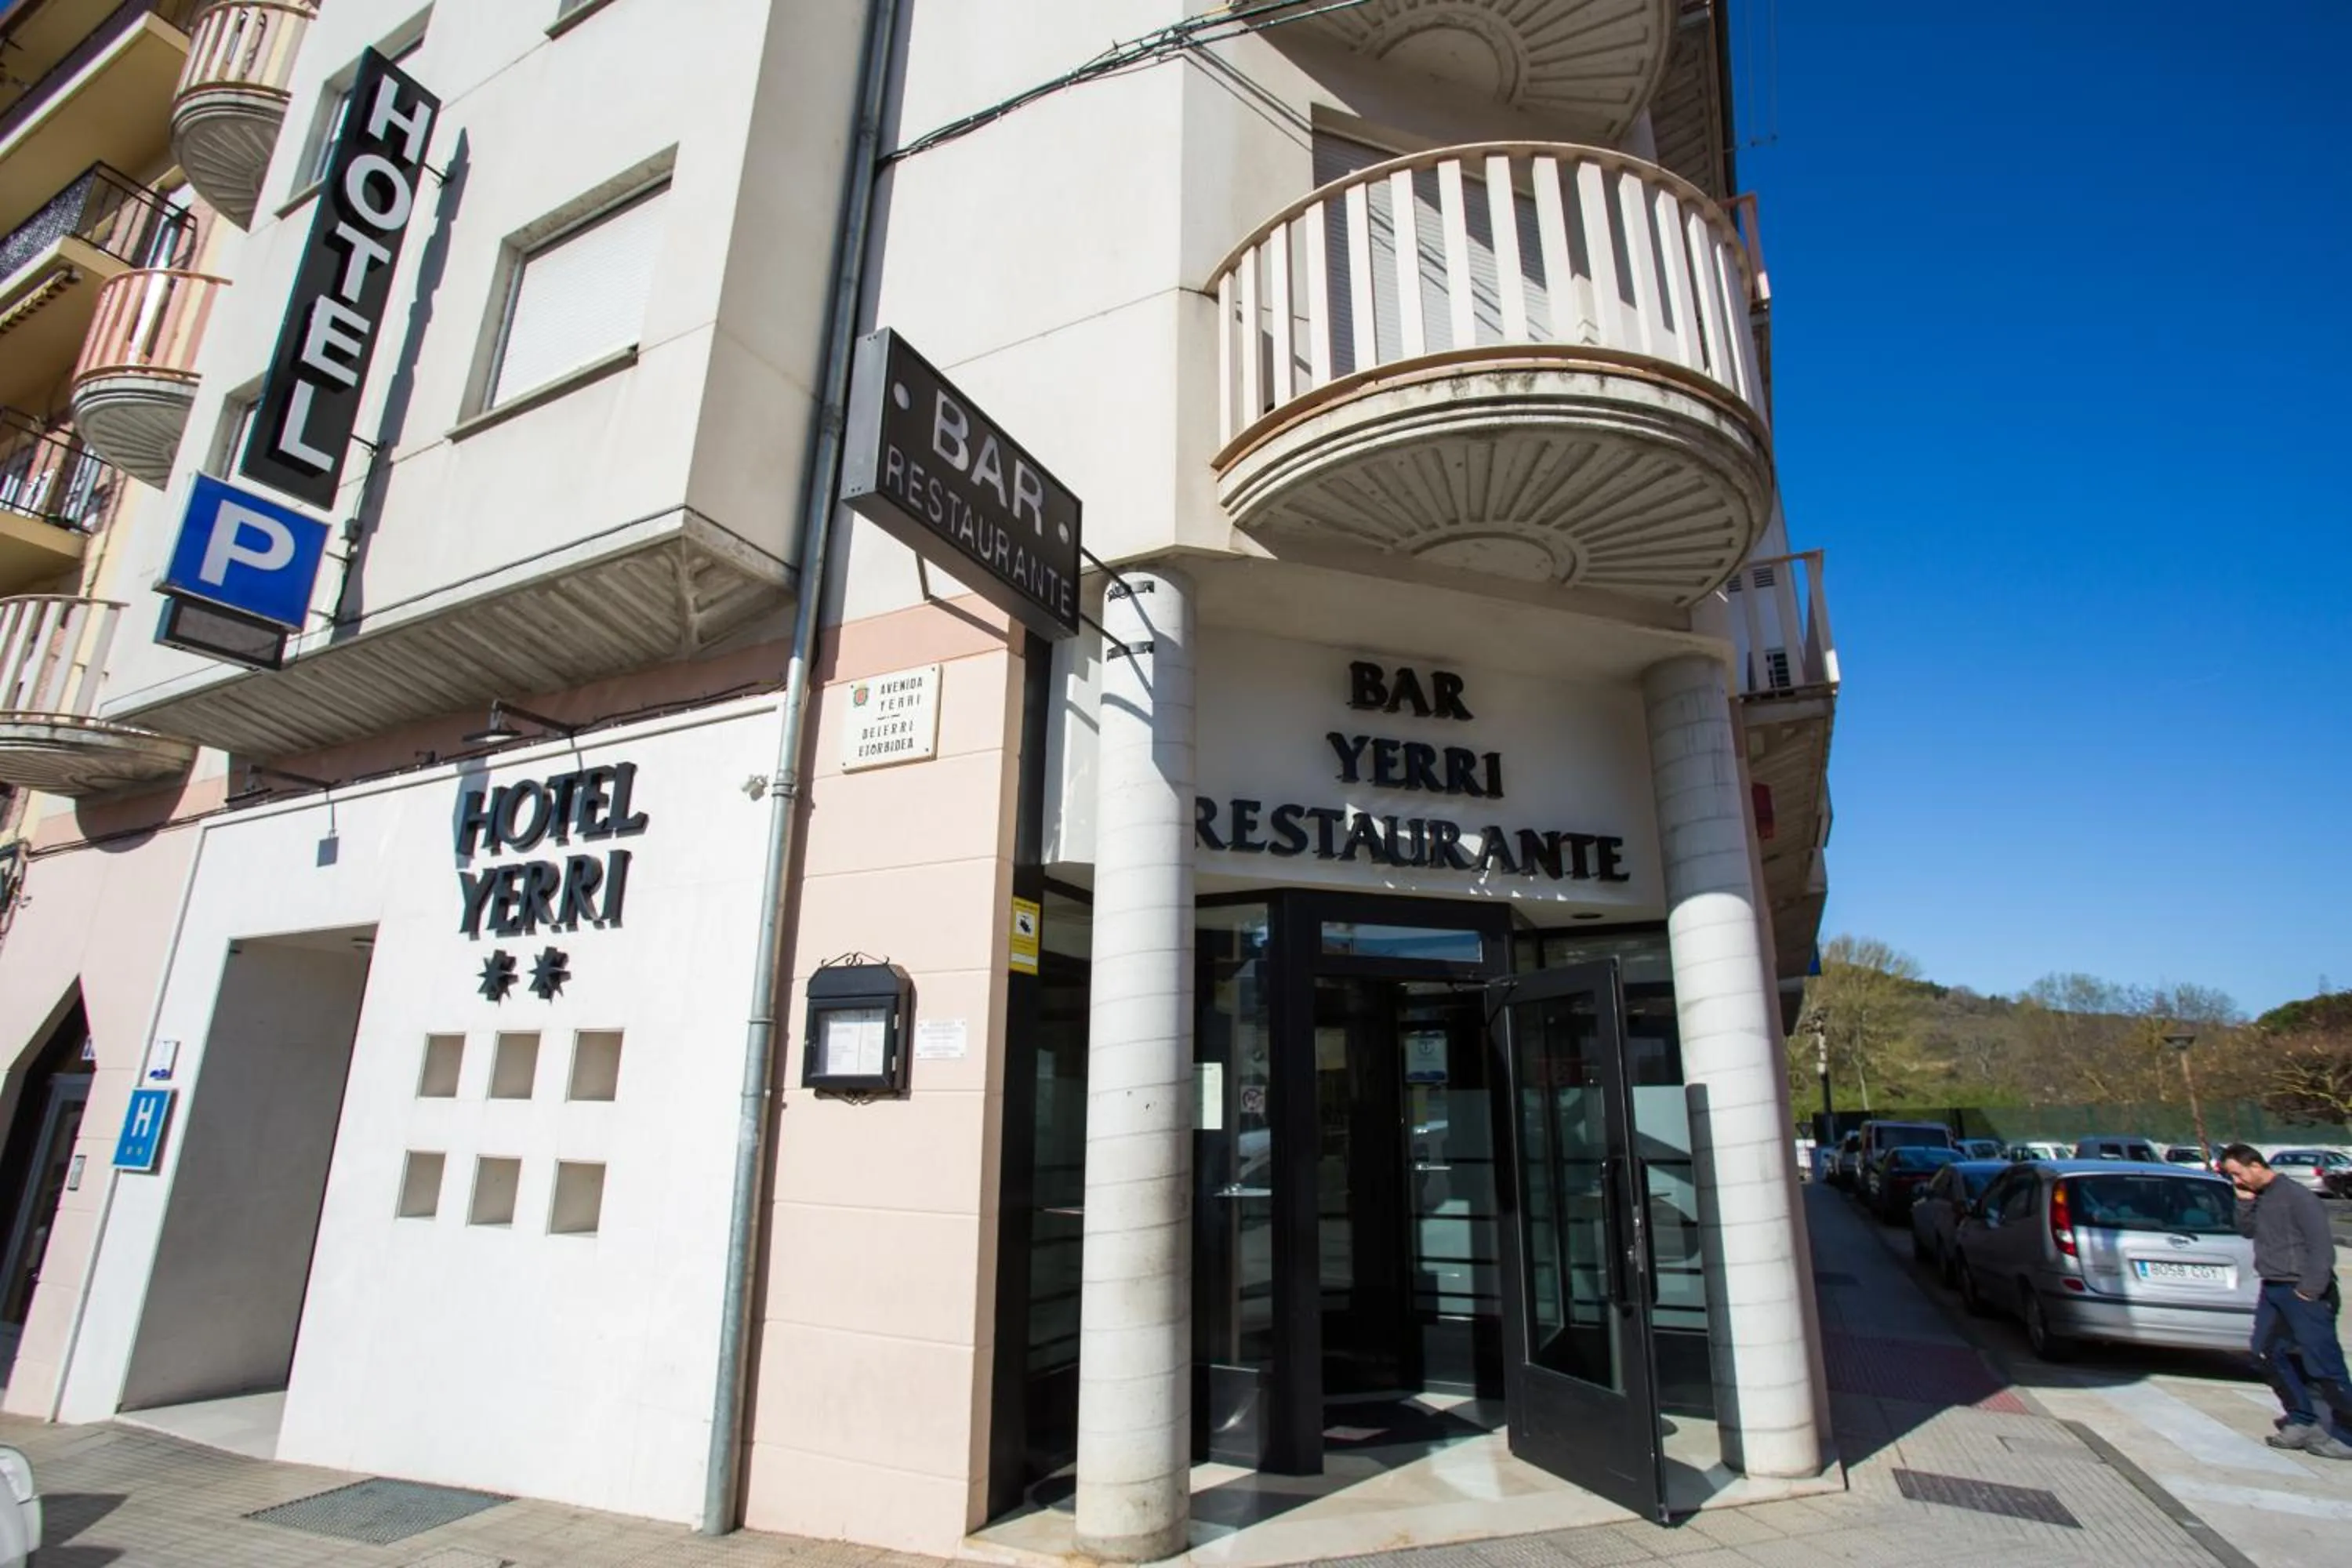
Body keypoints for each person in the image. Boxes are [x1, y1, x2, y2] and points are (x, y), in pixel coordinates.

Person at [2217, 1143, 2352, 1458]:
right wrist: (2244, 1203)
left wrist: (2310, 1289)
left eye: (2237, 1174)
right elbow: (2247, 1230)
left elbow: (2322, 1247)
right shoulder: (2258, 1197)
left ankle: (2346, 1432)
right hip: (2274, 1287)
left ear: (2254, 1165)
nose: (2236, 1181)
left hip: (2304, 1290)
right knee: (2266, 1352)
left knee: (2323, 1363)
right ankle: (2302, 1417)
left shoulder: (2297, 1196)